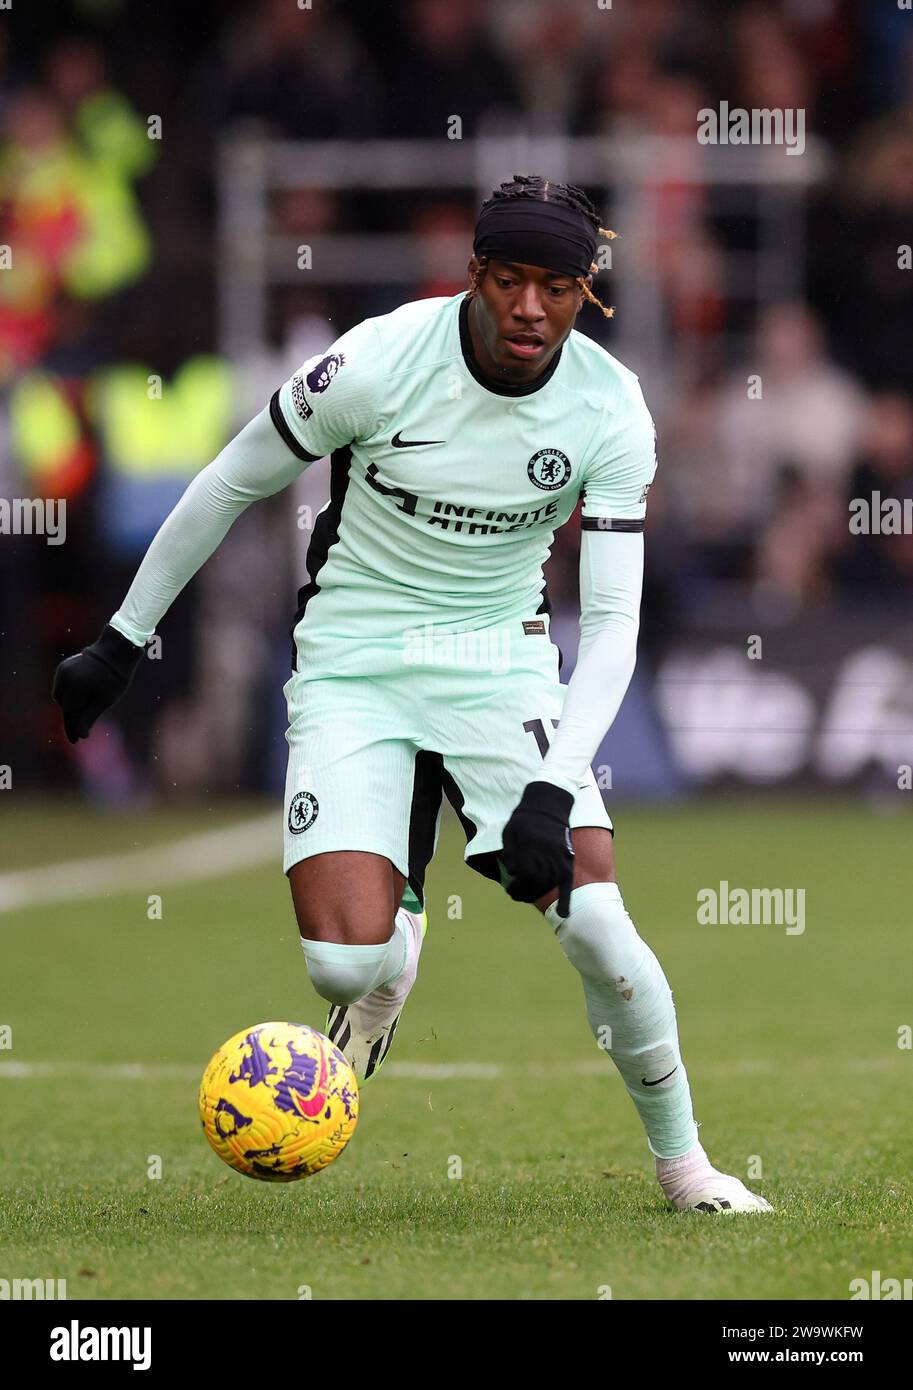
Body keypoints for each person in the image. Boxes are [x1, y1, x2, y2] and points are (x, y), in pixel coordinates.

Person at [53, 175, 771, 1214]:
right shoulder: (378, 362)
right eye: (511, 280)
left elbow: (612, 628)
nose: (532, 308)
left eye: (558, 287)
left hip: (501, 663)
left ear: (586, 294)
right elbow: (228, 480)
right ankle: (393, 957)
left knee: (598, 930)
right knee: (342, 968)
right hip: (354, 658)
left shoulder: (610, 408)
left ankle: (686, 1165)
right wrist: (122, 641)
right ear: (474, 276)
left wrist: (551, 789)